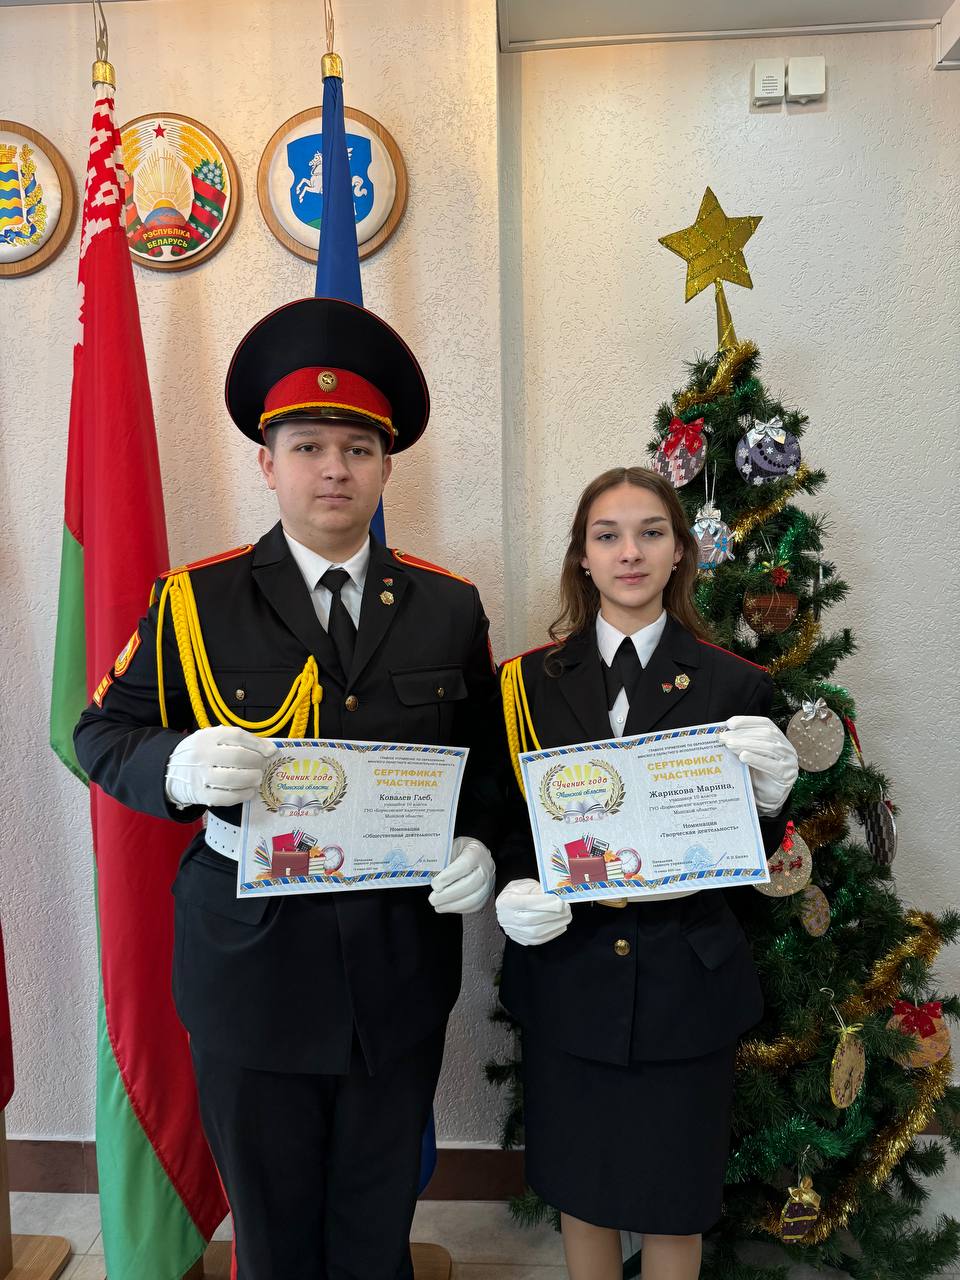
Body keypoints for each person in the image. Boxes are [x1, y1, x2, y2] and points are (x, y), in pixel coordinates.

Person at [74, 297, 503, 1280]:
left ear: (387, 466)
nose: (334, 468)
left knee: (375, 1222)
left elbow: (485, 764)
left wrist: (482, 841)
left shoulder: (447, 606)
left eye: (357, 447)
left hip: (397, 960)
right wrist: (175, 766)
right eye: (307, 446)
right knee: (271, 1234)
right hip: (251, 966)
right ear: (267, 464)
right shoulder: (195, 601)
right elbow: (100, 732)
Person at [495, 467, 798, 1280]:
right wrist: (513, 886)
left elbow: (746, 851)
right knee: (580, 1188)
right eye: (608, 536)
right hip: (568, 975)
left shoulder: (738, 684)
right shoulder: (523, 684)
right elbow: (506, 819)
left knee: (677, 1195)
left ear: (679, 552)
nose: (630, 552)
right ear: (582, 557)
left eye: (651, 533)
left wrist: (772, 800)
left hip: (684, 980)